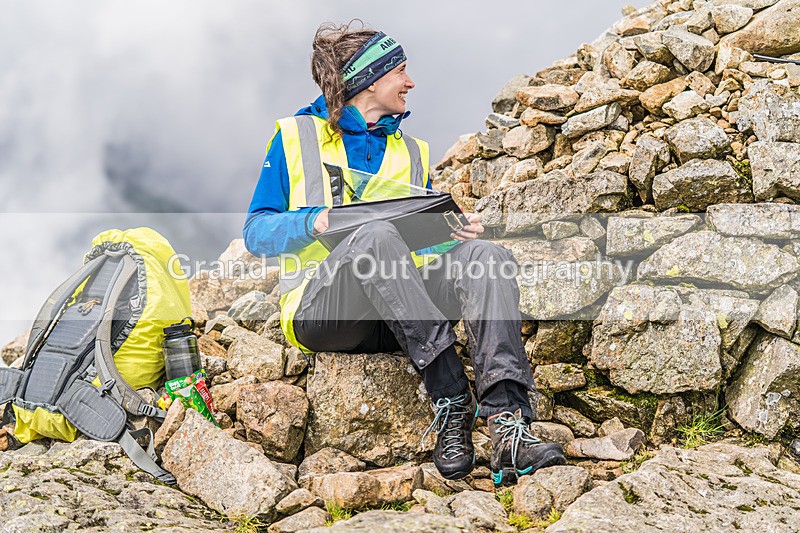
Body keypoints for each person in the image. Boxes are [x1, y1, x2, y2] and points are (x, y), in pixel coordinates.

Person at [243, 21, 565, 486]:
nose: (411, 83)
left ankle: (507, 426)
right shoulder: (295, 138)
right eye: (401, 71)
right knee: (372, 236)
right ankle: (451, 397)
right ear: (370, 78)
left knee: (487, 257)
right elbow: (255, 232)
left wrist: (452, 235)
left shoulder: (412, 151)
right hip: (328, 314)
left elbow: (420, 240)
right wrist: (311, 220)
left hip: (403, 316)